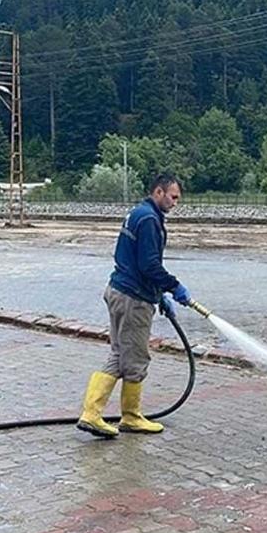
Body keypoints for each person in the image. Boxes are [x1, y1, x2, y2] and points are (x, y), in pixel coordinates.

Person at [77, 172, 193, 438]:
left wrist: (158, 294)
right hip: (133, 300)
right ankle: (126, 416)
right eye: (173, 197)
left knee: (119, 354)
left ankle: (95, 413)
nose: (175, 203)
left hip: (119, 290)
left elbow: (136, 261)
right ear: (159, 192)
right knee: (136, 357)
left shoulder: (138, 213)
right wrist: (174, 287)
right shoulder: (151, 219)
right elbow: (149, 265)